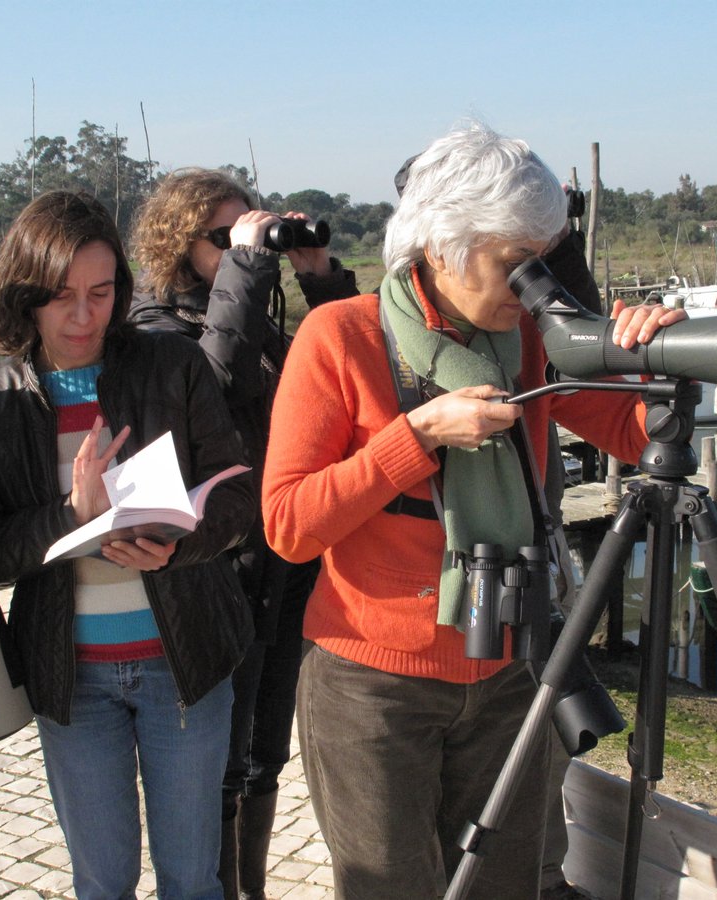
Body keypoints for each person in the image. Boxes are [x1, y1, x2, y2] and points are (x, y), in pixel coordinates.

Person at [261, 122, 687, 899]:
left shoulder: (530, 336)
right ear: (442, 245)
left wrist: (657, 361)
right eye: (513, 263)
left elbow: (638, 433)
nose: (535, 284)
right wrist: (415, 436)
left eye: (544, 260)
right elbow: (288, 526)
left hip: (508, 668)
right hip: (371, 684)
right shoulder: (339, 335)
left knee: (505, 887)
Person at [0, 191, 256, 900]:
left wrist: (178, 548)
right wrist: (68, 516)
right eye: (62, 297)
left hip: (184, 662)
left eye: (101, 291)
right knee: (103, 882)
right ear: (24, 296)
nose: (84, 316)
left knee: (191, 879)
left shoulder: (171, 365)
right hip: (72, 677)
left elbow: (238, 496)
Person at [130, 169, 357, 900]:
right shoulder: (153, 329)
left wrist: (319, 277)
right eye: (221, 238)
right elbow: (211, 385)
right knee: (224, 755)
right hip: (216, 564)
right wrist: (247, 268)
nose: (241, 249)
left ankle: (250, 888)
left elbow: (357, 368)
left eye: (247, 233)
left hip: (286, 553)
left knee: (267, 749)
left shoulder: (255, 316)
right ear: (178, 242)